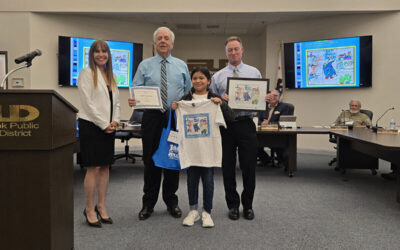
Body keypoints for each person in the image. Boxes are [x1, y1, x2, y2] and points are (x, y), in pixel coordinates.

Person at [128, 27, 191, 220]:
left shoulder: (181, 65)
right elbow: (136, 88)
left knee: (172, 160)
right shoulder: (145, 65)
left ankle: (172, 202)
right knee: (151, 160)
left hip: (174, 118)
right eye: (159, 39)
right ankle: (148, 204)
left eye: (166, 38)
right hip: (152, 118)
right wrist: (134, 99)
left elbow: (188, 92)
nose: (163, 41)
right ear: (155, 43)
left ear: (172, 43)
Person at [171, 67, 234, 228]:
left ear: (208, 81)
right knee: (191, 180)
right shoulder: (184, 100)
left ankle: (207, 212)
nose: (198, 81)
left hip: (208, 149)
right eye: (195, 78)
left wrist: (222, 104)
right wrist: (173, 109)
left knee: (208, 180)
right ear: (191, 81)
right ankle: (193, 211)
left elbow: (229, 119)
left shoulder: (214, 99)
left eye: (201, 78)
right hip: (191, 149)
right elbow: (174, 122)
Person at [210, 36, 261, 220]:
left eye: (236, 49)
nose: (233, 52)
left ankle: (248, 205)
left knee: (249, 167)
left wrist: (267, 98)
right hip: (226, 125)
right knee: (228, 167)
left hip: (247, 123)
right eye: (230, 50)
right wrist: (220, 100)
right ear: (226, 52)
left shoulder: (254, 72)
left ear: (242, 50)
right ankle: (232, 205)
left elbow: (259, 97)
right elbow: (212, 102)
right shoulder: (218, 76)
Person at [78, 40, 120, 227]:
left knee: (104, 167)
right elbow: (88, 103)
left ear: (109, 55)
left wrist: (115, 121)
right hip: (91, 125)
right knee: (93, 168)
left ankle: (101, 206)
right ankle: (88, 209)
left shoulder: (111, 75)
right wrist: (104, 124)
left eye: (104, 51)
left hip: (108, 127)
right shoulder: (86, 73)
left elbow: (116, 103)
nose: (101, 54)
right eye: (97, 51)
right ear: (91, 54)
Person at [257, 90, 292, 168]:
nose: (272, 97)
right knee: (252, 142)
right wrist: (262, 123)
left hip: (277, 133)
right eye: (270, 96)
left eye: (275, 96)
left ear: (278, 97)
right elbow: (257, 119)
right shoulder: (263, 106)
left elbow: (284, 122)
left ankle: (281, 161)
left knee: (278, 143)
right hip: (262, 133)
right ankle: (265, 159)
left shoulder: (284, 107)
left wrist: (269, 124)